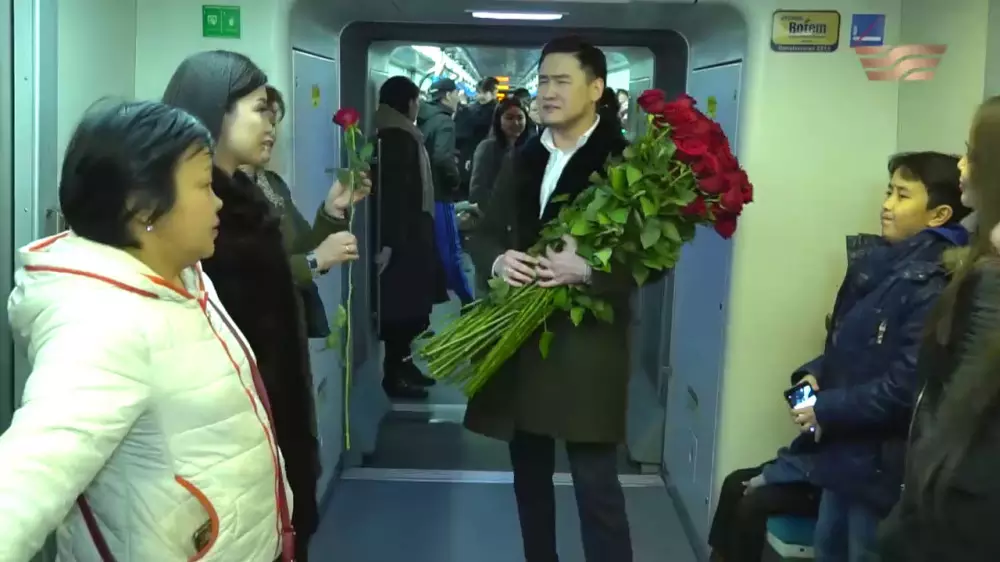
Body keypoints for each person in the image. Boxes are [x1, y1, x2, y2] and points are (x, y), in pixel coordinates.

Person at [0, 99, 288, 561]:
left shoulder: (181, 275)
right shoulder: (102, 322)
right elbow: (29, 475)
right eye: (203, 186)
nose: (217, 201)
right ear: (143, 208)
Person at [162, 50, 370, 561]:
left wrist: (330, 215)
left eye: (274, 114)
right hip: (229, 417)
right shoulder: (191, 207)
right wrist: (316, 262)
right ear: (215, 110)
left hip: (268, 396)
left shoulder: (256, 192)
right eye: (260, 110)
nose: (271, 125)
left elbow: (278, 262)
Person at [465, 36, 638, 562]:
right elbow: (485, 231)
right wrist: (498, 261)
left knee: (596, 485)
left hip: (588, 346)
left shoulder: (624, 163)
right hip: (523, 339)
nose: (548, 92)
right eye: (543, 81)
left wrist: (588, 270)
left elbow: (650, 258)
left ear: (597, 88)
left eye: (562, 81)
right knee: (530, 479)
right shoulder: (524, 156)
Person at [784, 151, 969, 561]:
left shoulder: (935, 282)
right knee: (828, 546)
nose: (887, 205)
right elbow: (849, 345)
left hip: (883, 468)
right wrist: (814, 375)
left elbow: (905, 388)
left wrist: (823, 408)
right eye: (889, 192)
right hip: (844, 456)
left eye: (902, 196)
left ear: (938, 214)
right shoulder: (878, 263)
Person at [878, 97, 1000, 562]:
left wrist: (910, 517)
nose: (962, 166)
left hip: (956, 507)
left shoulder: (990, 278)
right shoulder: (973, 259)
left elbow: (959, 407)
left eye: (972, 153)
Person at [243, 85, 353, 340]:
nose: (271, 131)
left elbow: (305, 247)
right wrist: (315, 260)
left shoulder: (272, 184)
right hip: (254, 332)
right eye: (263, 118)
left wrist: (332, 210)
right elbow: (249, 276)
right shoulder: (218, 192)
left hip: (287, 325)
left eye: (274, 122)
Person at [372, 76, 449, 400]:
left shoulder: (396, 132)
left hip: (408, 233)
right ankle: (395, 375)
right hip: (404, 237)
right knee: (401, 309)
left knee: (408, 307)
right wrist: (391, 243)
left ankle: (404, 365)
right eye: (416, 100)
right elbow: (395, 195)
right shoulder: (398, 137)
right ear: (408, 102)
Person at [418, 77, 474, 305]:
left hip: (424, 193)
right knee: (451, 250)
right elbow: (442, 157)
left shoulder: (424, 119)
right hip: (440, 194)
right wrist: (455, 180)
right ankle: (468, 300)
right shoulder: (445, 122)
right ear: (447, 95)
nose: (458, 99)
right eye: (456, 94)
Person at [456, 76, 501, 197]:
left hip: (487, 154)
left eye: (484, 92)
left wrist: (464, 107)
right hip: (468, 152)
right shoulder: (472, 108)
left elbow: (476, 123)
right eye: (479, 92)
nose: (480, 96)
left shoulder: (496, 110)